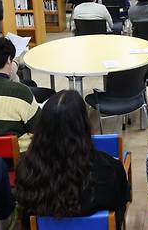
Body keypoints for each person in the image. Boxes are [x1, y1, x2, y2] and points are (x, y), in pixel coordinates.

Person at [16, 90, 130, 229]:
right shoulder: (109, 169)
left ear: (42, 127)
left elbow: (27, 219)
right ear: (84, 125)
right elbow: (119, 209)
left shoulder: (27, 171)